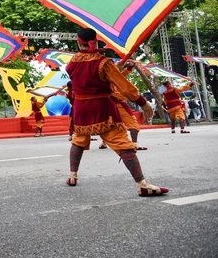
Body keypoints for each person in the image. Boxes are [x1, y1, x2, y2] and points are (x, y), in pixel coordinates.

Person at [64, 28, 168, 197]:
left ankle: (72, 176)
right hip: (101, 108)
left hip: (81, 109)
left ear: (78, 41)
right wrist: (143, 102)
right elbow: (122, 85)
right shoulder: (103, 62)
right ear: (95, 40)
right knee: (122, 143)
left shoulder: (72, 63)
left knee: (79, 140)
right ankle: (142, 184)